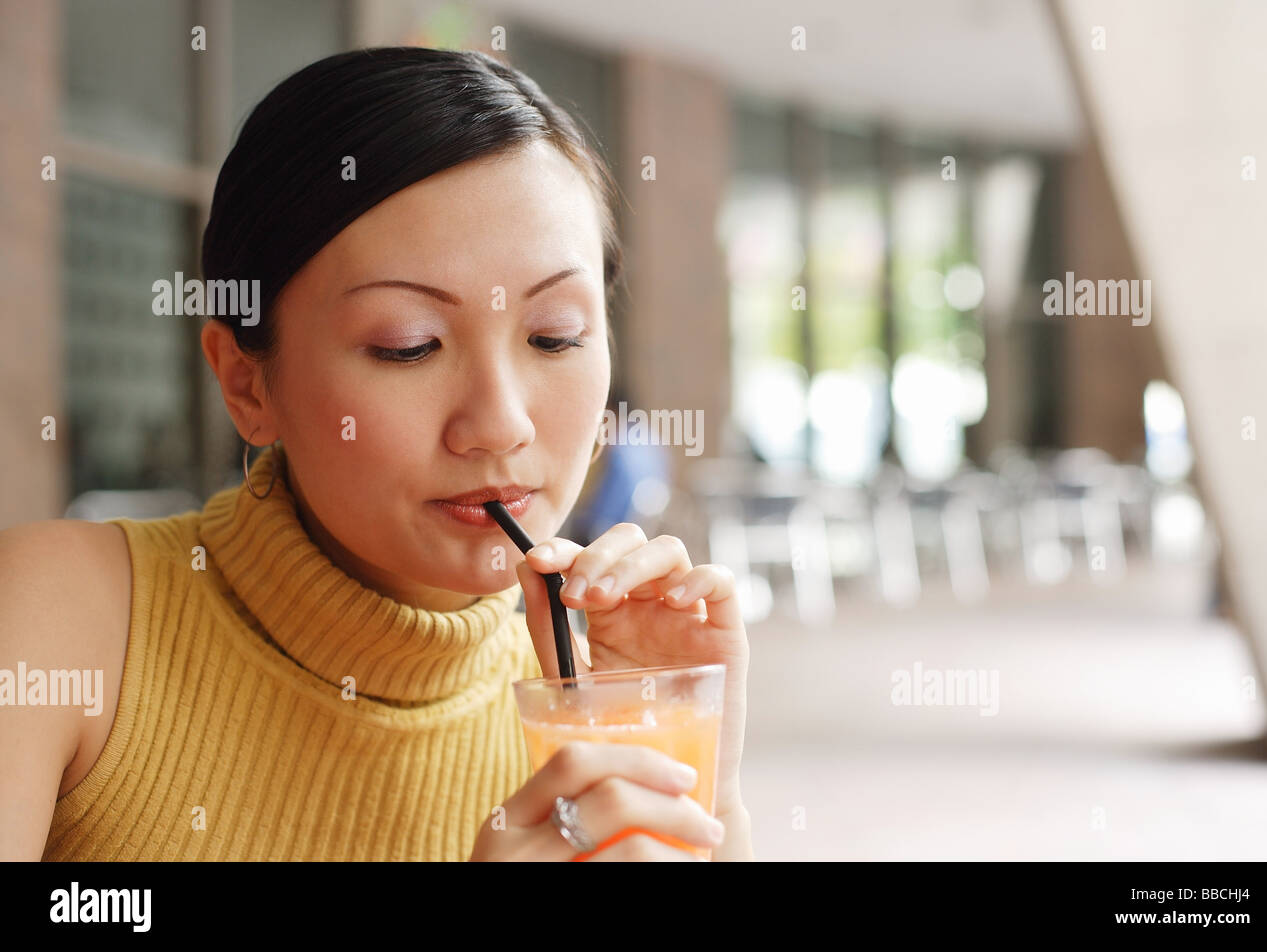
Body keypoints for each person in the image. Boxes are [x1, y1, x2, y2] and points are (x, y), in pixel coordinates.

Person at [0, 47, 751, 862]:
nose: (499, 425)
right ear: (247, 384)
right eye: (408, 345)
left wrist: (701, 792)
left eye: (553, 336)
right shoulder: (59, 617)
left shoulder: (597, 707)